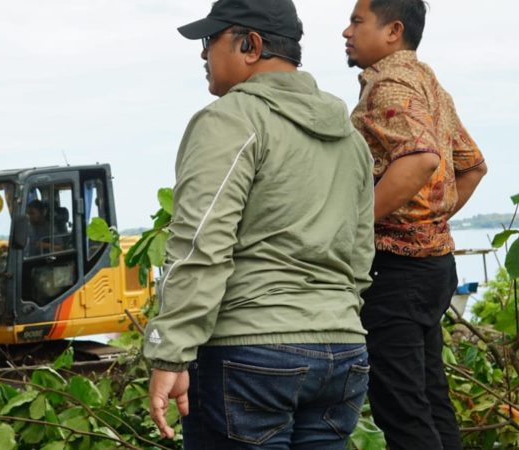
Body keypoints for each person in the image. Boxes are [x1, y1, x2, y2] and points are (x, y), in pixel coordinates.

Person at [143, 0, 375, 448]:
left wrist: (169, 353)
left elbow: (200, 245)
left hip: (251, 355)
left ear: (250, 45)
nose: (203, 55)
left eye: (211, 41)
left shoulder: (230, 120)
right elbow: (360, 255)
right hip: (343, 353)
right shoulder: (350, 138)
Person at [342, 1, 487, 448]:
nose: (345, 32)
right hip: (434, 267)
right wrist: (428, 224)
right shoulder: (428, 83)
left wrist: (354, 228)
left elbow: (422, 159)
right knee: (429, 398)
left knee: (401, 410)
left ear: (393, 31)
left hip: (396, 272)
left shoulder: (388, 85)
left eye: (356, 21)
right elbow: (472, 166)